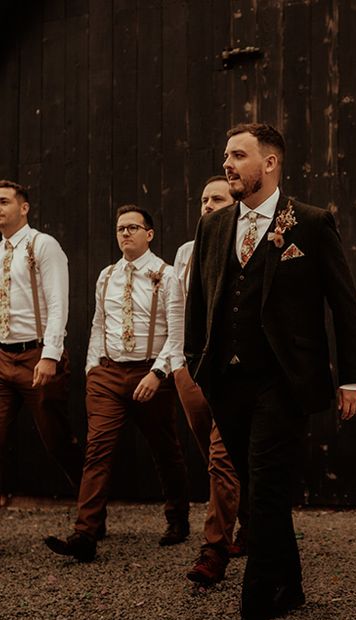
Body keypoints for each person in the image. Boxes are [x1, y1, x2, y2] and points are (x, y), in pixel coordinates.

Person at [185, 123, 356, 620]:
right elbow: (200, 301)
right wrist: (200, 365)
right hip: (227, 382)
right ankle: (289, 582)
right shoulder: (214, 227)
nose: (227, 163)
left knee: (262, 497)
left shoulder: (309, 223)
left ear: (269, 164)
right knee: (257, 487)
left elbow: (344, 304)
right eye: (224, 155)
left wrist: (352, 377)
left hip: (283, 384)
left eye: (238, 155)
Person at [45, 204, 190, 562]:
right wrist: (93, 366)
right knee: (98, 450)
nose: (125, 233)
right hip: (108, 374)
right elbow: (98, 324)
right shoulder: (106, 275)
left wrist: (158, 374)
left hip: (151, 372)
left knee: (165, 448)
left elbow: (178, 333)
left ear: (149, 234)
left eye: (133, 228)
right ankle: (85, 534)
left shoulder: (167, 274)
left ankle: (178, 519)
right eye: (121, 228)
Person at [173, 176, 248, 586]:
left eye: (215, 198)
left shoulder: (247, 243)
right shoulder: (186, 252)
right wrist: (174, 363)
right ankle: (248, 518)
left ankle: (214, 548)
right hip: (189, 367)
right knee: (212, 452)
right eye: (202, 199)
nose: (206, 205)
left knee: (222, 457)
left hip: (233, 370)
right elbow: (176, 308)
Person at [0, 180, 82, 507]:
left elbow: (58, 302)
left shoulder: (42, 245)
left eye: (4, 202)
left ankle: (92, 509)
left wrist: (49, 355)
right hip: (3, 357)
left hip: (37, 356)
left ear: (24, 208)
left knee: (57, 441)